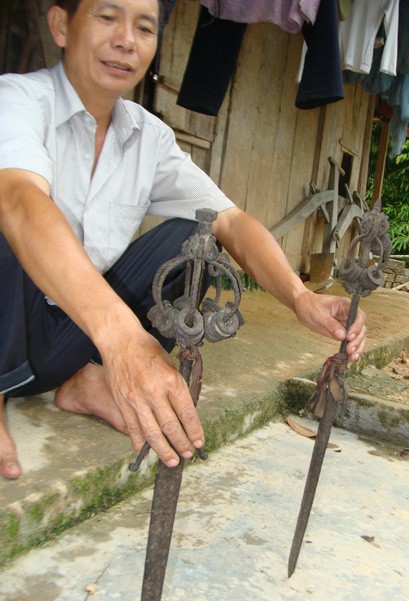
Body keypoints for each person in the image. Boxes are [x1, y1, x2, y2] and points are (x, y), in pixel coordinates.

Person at [0, 0, 366, 480]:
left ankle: (88, 379)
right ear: (61, 25)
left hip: (68, 338)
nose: (127, 40)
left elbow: (231, 222)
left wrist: (301, 298)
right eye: (107, 18)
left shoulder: (147, 138)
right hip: (12, 328)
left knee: (195, 242)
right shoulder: (17, 99)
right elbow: (19, 202)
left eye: (145, 28)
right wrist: (124, 338)